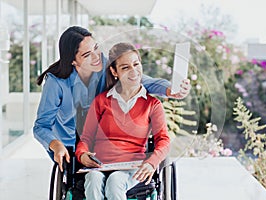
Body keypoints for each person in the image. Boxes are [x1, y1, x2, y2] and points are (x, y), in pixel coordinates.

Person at [33, 26, 190, 172]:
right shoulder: (56, 83)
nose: (96, 57)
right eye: (87, 55)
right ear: (73, 61)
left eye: (96, 48)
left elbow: (140, 79)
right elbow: (41, 126)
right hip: (69, 147)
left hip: (101, 143)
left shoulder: (107, 66)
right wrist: (55, 145)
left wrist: (170, 90)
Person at [75, 42, 170, 200]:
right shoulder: (101, 101)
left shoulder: (152, 105)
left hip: (133, 167)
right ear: (114, 72)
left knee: (115, 180)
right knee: (93, 179)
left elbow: (164, 140)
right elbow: (86, 138)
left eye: (136, 64)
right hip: (100, 165)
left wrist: (152, 162)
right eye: (125, 67)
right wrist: (82, 154)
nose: (133, 71)